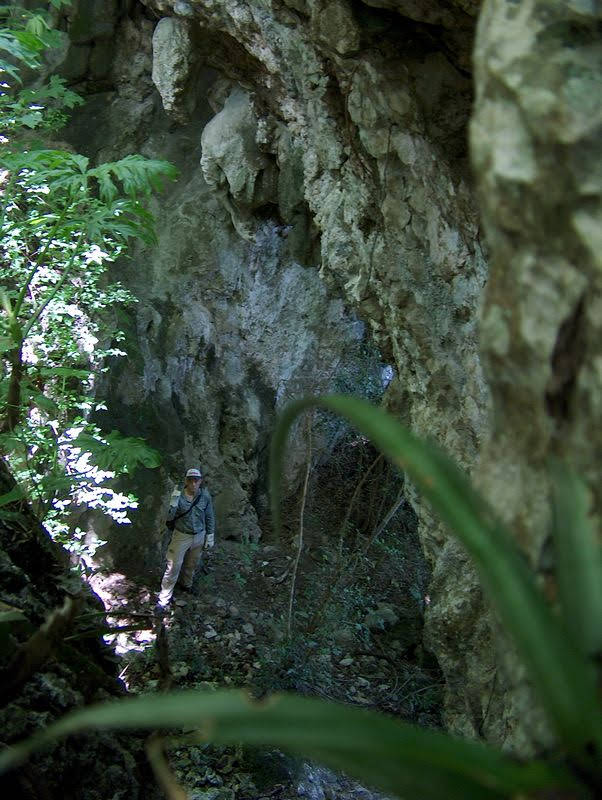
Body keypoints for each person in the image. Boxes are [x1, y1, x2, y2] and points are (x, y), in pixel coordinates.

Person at [157, 467, 215, 608]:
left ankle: (186, 585)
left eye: (196, 480)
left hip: (199, 535)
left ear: (200, 481)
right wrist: (173, 504)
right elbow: (169, 517)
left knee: (192, 563)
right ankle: (163, 599)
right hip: (181, 535)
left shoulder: (204, 497)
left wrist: (210, 535)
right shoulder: (178, 496)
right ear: (186, 481)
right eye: (191, 480)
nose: (193, 484)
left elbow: (209, 516)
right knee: (173, 566)